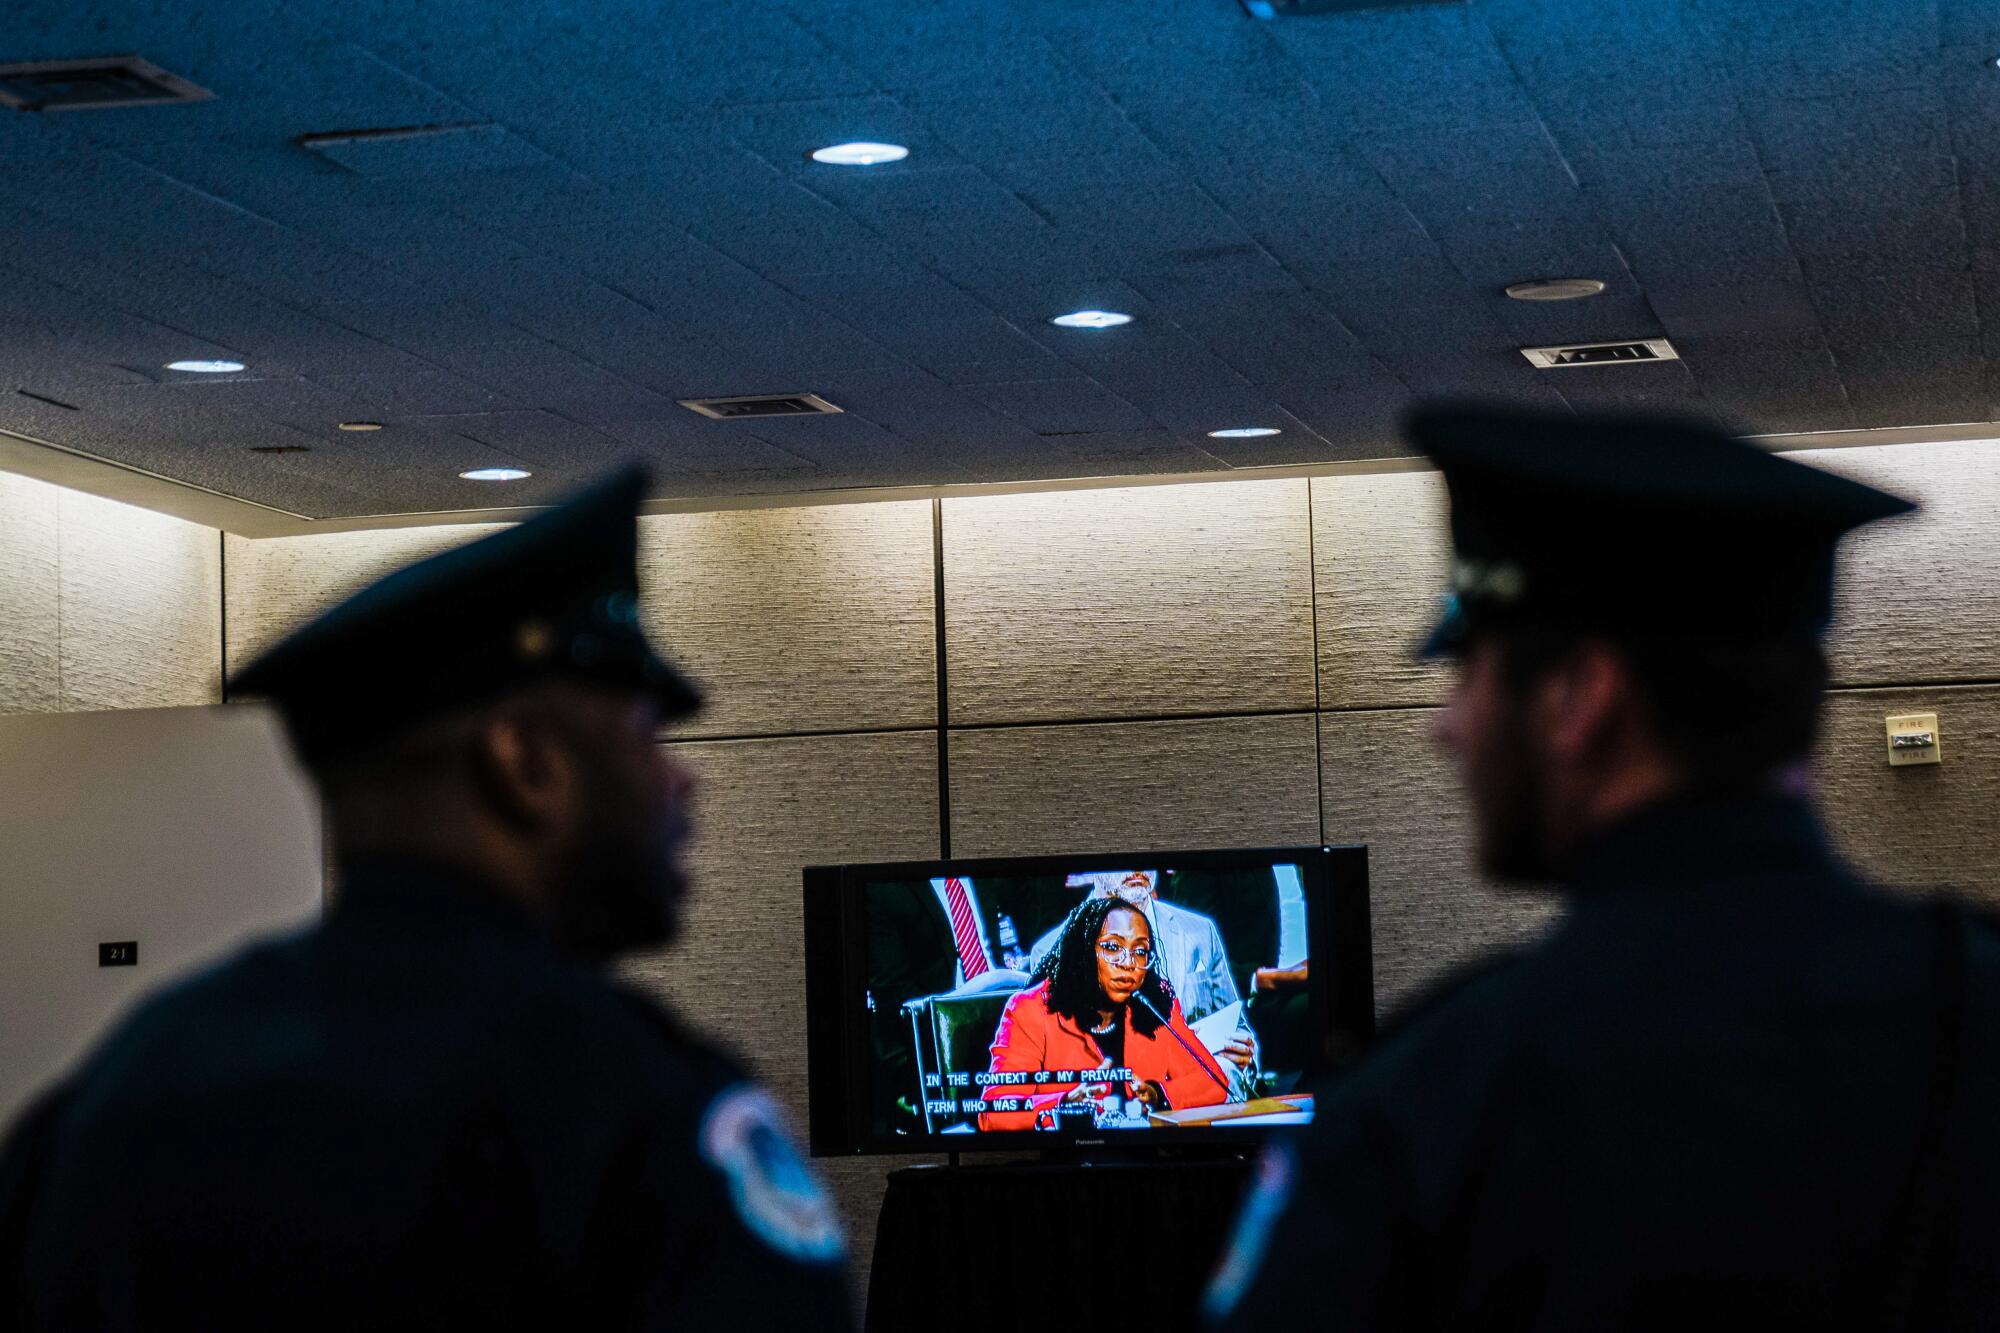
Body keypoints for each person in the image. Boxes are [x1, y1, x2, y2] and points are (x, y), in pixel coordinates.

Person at [0, 469, 854, 1331]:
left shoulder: (122, 1090)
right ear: (526, 763)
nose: (681, 781)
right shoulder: (632, 1108)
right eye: (641, 734)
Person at [1209, 406, 2000, 1329]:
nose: (1447, 725)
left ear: (1581, 696)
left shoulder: (1438, 1097)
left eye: (1468, 673)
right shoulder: (1975, 1002)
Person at [981, 895, 1231, 1131]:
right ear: (1084, 951)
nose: (1129, 963)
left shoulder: (1155, 1004)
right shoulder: (1030, 1010)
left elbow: (1214, 1081)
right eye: (1113, 947)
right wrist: (1062, 1104)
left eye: (1140, 950)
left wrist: (1158, 1094)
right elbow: (994, 1112)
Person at [1028, 870, 1259, 1096]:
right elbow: (1063, 1057)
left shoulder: (1200, 932)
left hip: (1198, 1100)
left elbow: (1235, 1024)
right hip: (1114, 1096)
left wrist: (1242, 1054)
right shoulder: (1053, 949)